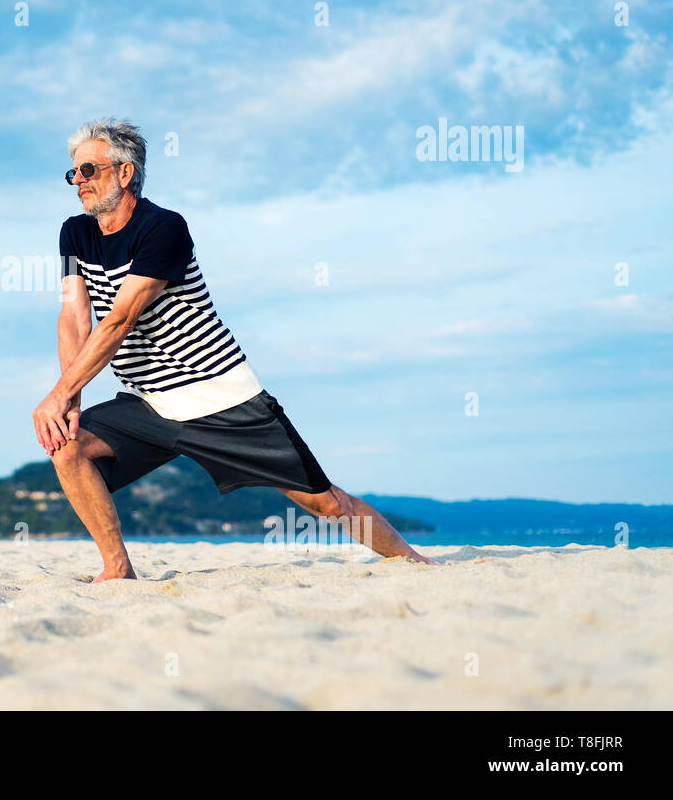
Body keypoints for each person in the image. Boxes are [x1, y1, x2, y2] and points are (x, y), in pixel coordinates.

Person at [32, 117, 441, 581]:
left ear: (124, 173)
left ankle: (416, 562)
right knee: (68, 447)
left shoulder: (164, 228)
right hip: (147, 403)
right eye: (73, 174)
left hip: (219, 395)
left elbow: (121, 319)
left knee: (324, 501)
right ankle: (117, 569)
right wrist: (70, 400)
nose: (78, 183)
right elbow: (73, 317)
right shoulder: (74, 234)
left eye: (88, 171)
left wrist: (60, 394)